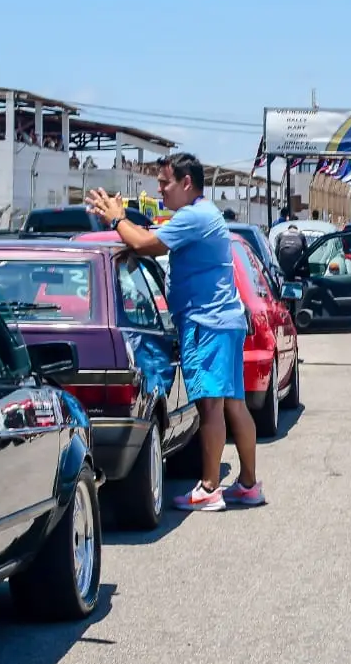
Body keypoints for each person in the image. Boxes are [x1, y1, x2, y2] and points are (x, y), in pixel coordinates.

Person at [85, 152, 263, 512]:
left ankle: (210, 488)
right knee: (234, 405)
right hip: (222, 322)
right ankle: (248, 484)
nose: (160, 190)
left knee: (211, 405)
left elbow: (146, 245)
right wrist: (126, 223)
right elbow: (147, 236)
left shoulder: (194, 216)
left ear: (186, 183)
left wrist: (117, 218)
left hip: (207, 324)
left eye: (165, 183)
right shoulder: (202, 214)